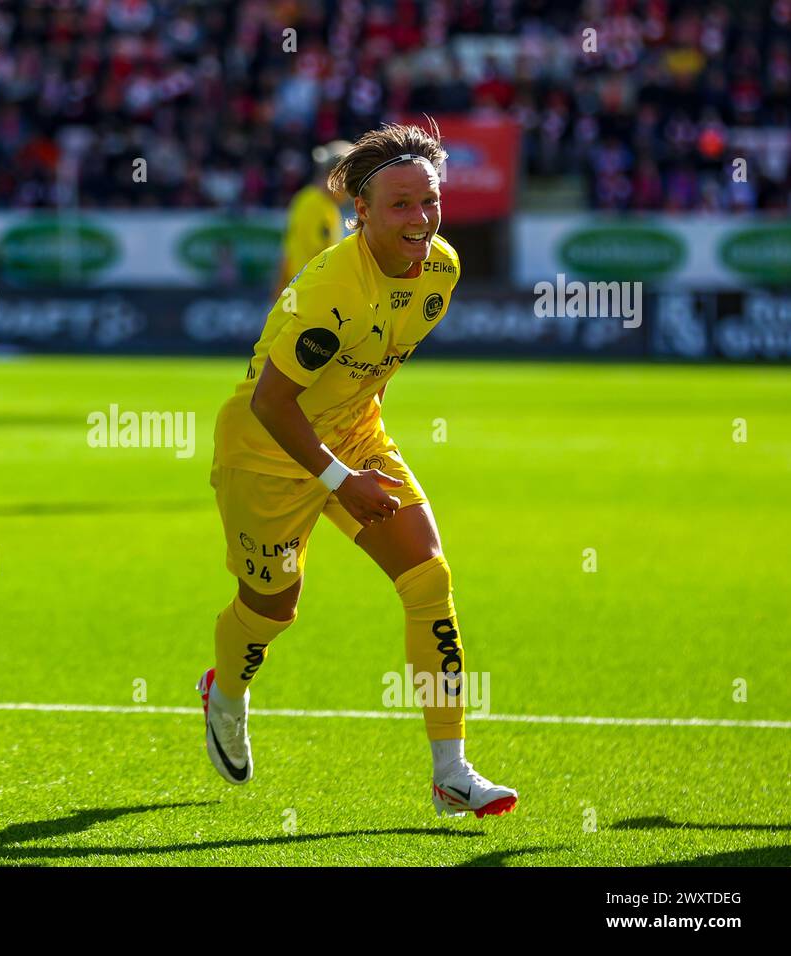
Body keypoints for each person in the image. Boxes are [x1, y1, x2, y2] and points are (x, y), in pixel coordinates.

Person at [201, 120, 518, 819]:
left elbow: (368, 372)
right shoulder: (332, 290)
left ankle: (451, 772)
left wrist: (358, 459)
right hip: (265, 449)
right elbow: (271, 401)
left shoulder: (443, 268)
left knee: (428, 577)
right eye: (400, 205)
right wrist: (341, 481)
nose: (420, 219)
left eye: (429, 201)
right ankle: (225, 692)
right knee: (272, 609)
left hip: (354, 435)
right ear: (361, 212)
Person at [272, 141, 350, 300]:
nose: (351, 189)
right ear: (335, 175)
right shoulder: (312, 204)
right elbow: (298, 258)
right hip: (306, 299)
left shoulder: (326, 206)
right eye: (349, 180)